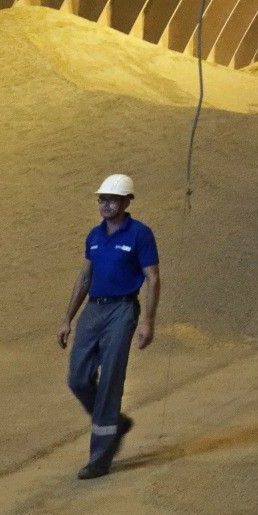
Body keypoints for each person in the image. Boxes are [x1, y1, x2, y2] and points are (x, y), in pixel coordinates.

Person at [58, 172, 160, 479]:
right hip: (94, 310)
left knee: (111, 380)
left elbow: (153, 277)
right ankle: (116, 421)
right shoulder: (94, 236)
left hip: (122, 310)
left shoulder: (140, 234)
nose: (105, 204)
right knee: (77, 378)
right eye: (102, 199)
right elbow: (85, 277)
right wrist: (67, 318)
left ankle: (100, 457)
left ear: (127, 201)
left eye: (112, 199)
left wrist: (147, 322)